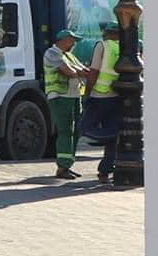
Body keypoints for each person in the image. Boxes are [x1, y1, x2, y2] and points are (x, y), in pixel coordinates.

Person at [44, 27, 92, 179]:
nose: (74, 44)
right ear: (64, 40)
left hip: (74, 96)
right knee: (65, 131)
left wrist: (83, 71)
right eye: (72, 41)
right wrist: (81, 72)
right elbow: (69, 72)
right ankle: (62, 167)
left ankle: (68, 164)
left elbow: (83, 69)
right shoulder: (52, 53)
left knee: (76, 131)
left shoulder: (69, 55)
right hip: (60, 96)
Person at [82, 25, 123, 181]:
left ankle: (112, 135)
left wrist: (87, 92)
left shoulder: (102, 45)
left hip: (99, 94)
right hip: (117, 95)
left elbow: (94, 71)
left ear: (107, 34)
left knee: (84, 127)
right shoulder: (123, 47)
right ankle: (105, 171)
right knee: (111, 133)